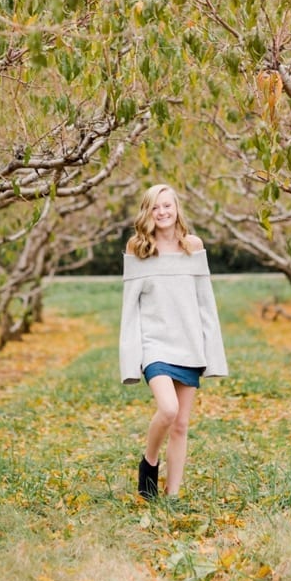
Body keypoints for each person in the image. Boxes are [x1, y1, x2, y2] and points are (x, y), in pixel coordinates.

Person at [119, 183, 228, 501]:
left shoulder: (193, 246)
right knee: (167, 409)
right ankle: (149, 461)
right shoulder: (137, 248)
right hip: (155, 345)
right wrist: (131, 357)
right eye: (155, 207)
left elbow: (205, 303)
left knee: (181, 424)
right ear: (147, 212)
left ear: (177, 209)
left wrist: (211, 351)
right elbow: (130, 309)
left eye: (168, 205)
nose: (163, 212)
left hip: (189, 344)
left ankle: (173, 497)